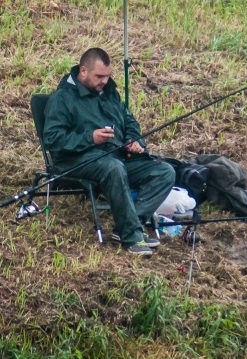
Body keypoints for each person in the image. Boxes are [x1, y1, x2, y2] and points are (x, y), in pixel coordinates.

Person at [42, 48, 175, 256]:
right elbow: (52, 139)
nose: (104, 81)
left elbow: (129, 121)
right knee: (113, 168)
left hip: (116, 156)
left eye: (108, 76)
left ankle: (132, 225)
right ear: (83, 71)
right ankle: (131, 237)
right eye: (99, 76)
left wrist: (134, 140)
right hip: (76, 160)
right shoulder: (62, 98)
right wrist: (90, 137)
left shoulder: (109, 93)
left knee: (164, 171)